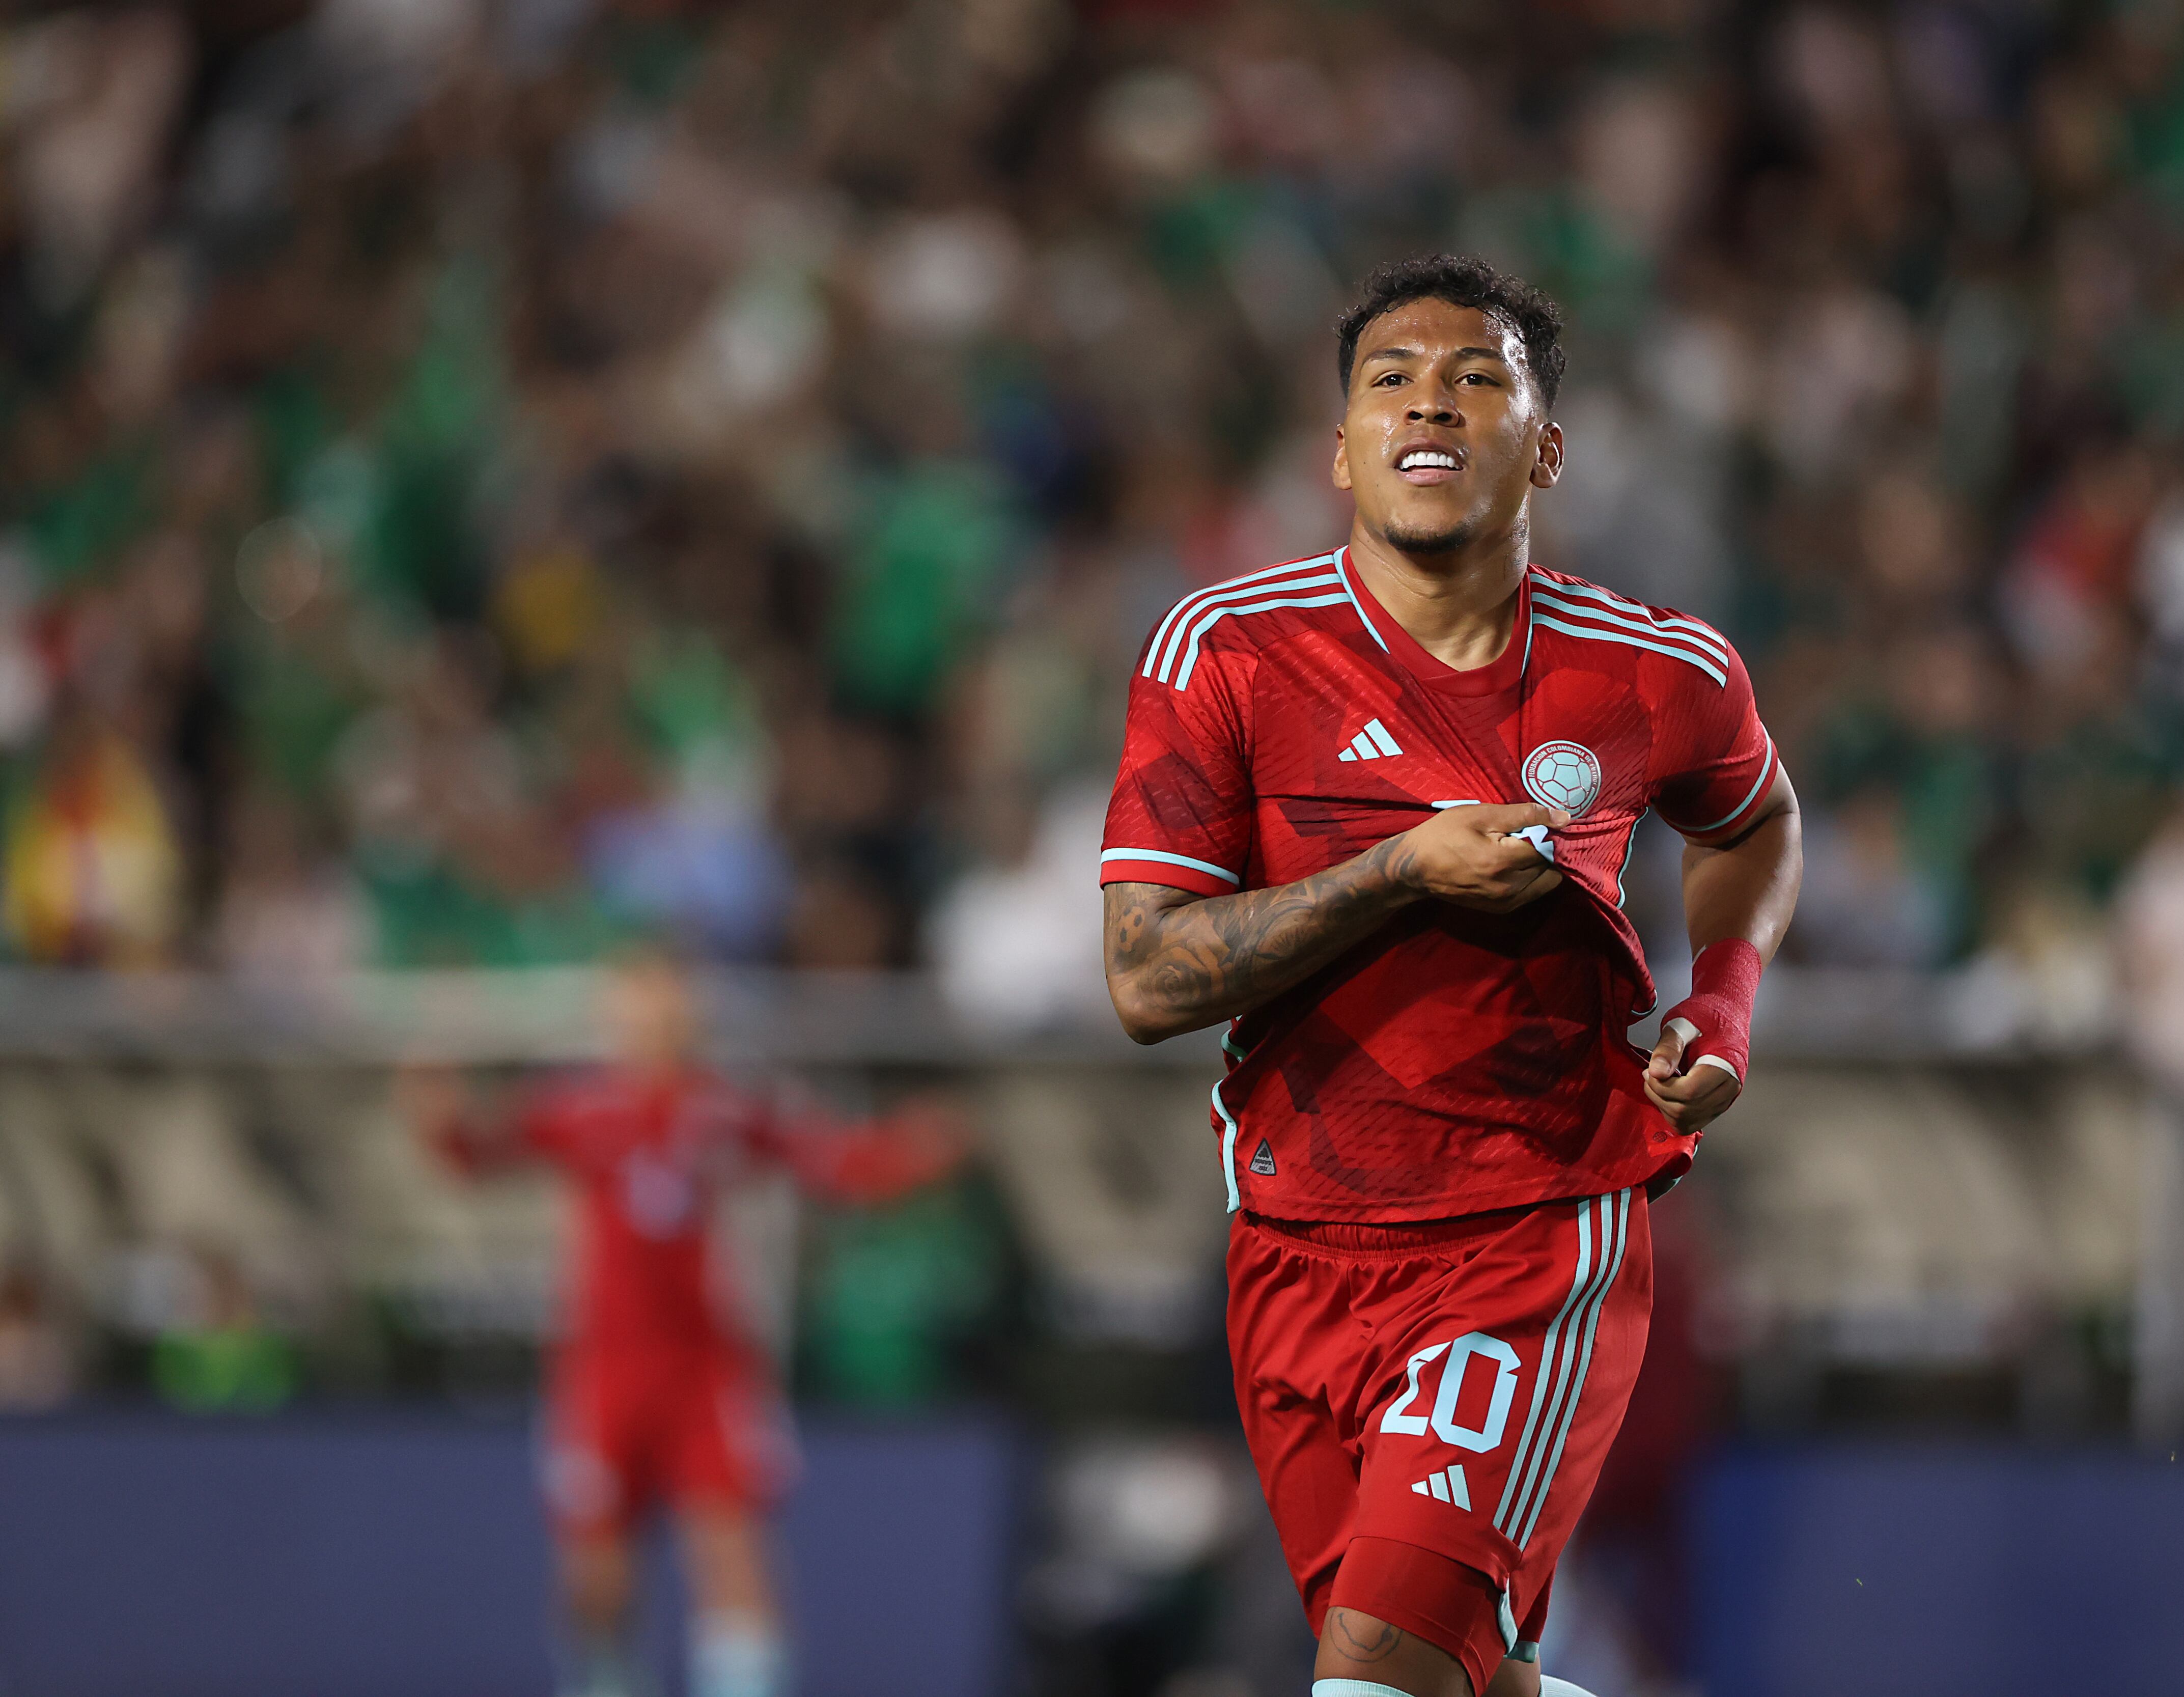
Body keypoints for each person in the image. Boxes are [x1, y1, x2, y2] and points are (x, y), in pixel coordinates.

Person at [1099, 255, 1802, 1697]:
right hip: (1293, 1246)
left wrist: (1724, 999)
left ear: (1544, 445)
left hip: (1533, 1236)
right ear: (1340, 446)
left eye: (1479, 375)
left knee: (1373, 1678)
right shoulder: (1225, 653)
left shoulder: (1656, 671)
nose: (1432, 398)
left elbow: (1756, 821)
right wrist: (1401, 870)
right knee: (1464, 1680)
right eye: (1390, 380)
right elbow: (1148, 979)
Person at [402, 950, 962, 1697]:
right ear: (613, 1018)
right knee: (597, 1571)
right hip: (604, 1366)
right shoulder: (578, 1107)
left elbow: (838, 1162)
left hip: (706, 1365)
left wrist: (916, 1149)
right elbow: (476, 1156)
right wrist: (436, 1113)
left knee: (734, 1553)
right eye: (639, 1006)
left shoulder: (730, 1106)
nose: (658, 1022)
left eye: (672, 1005)